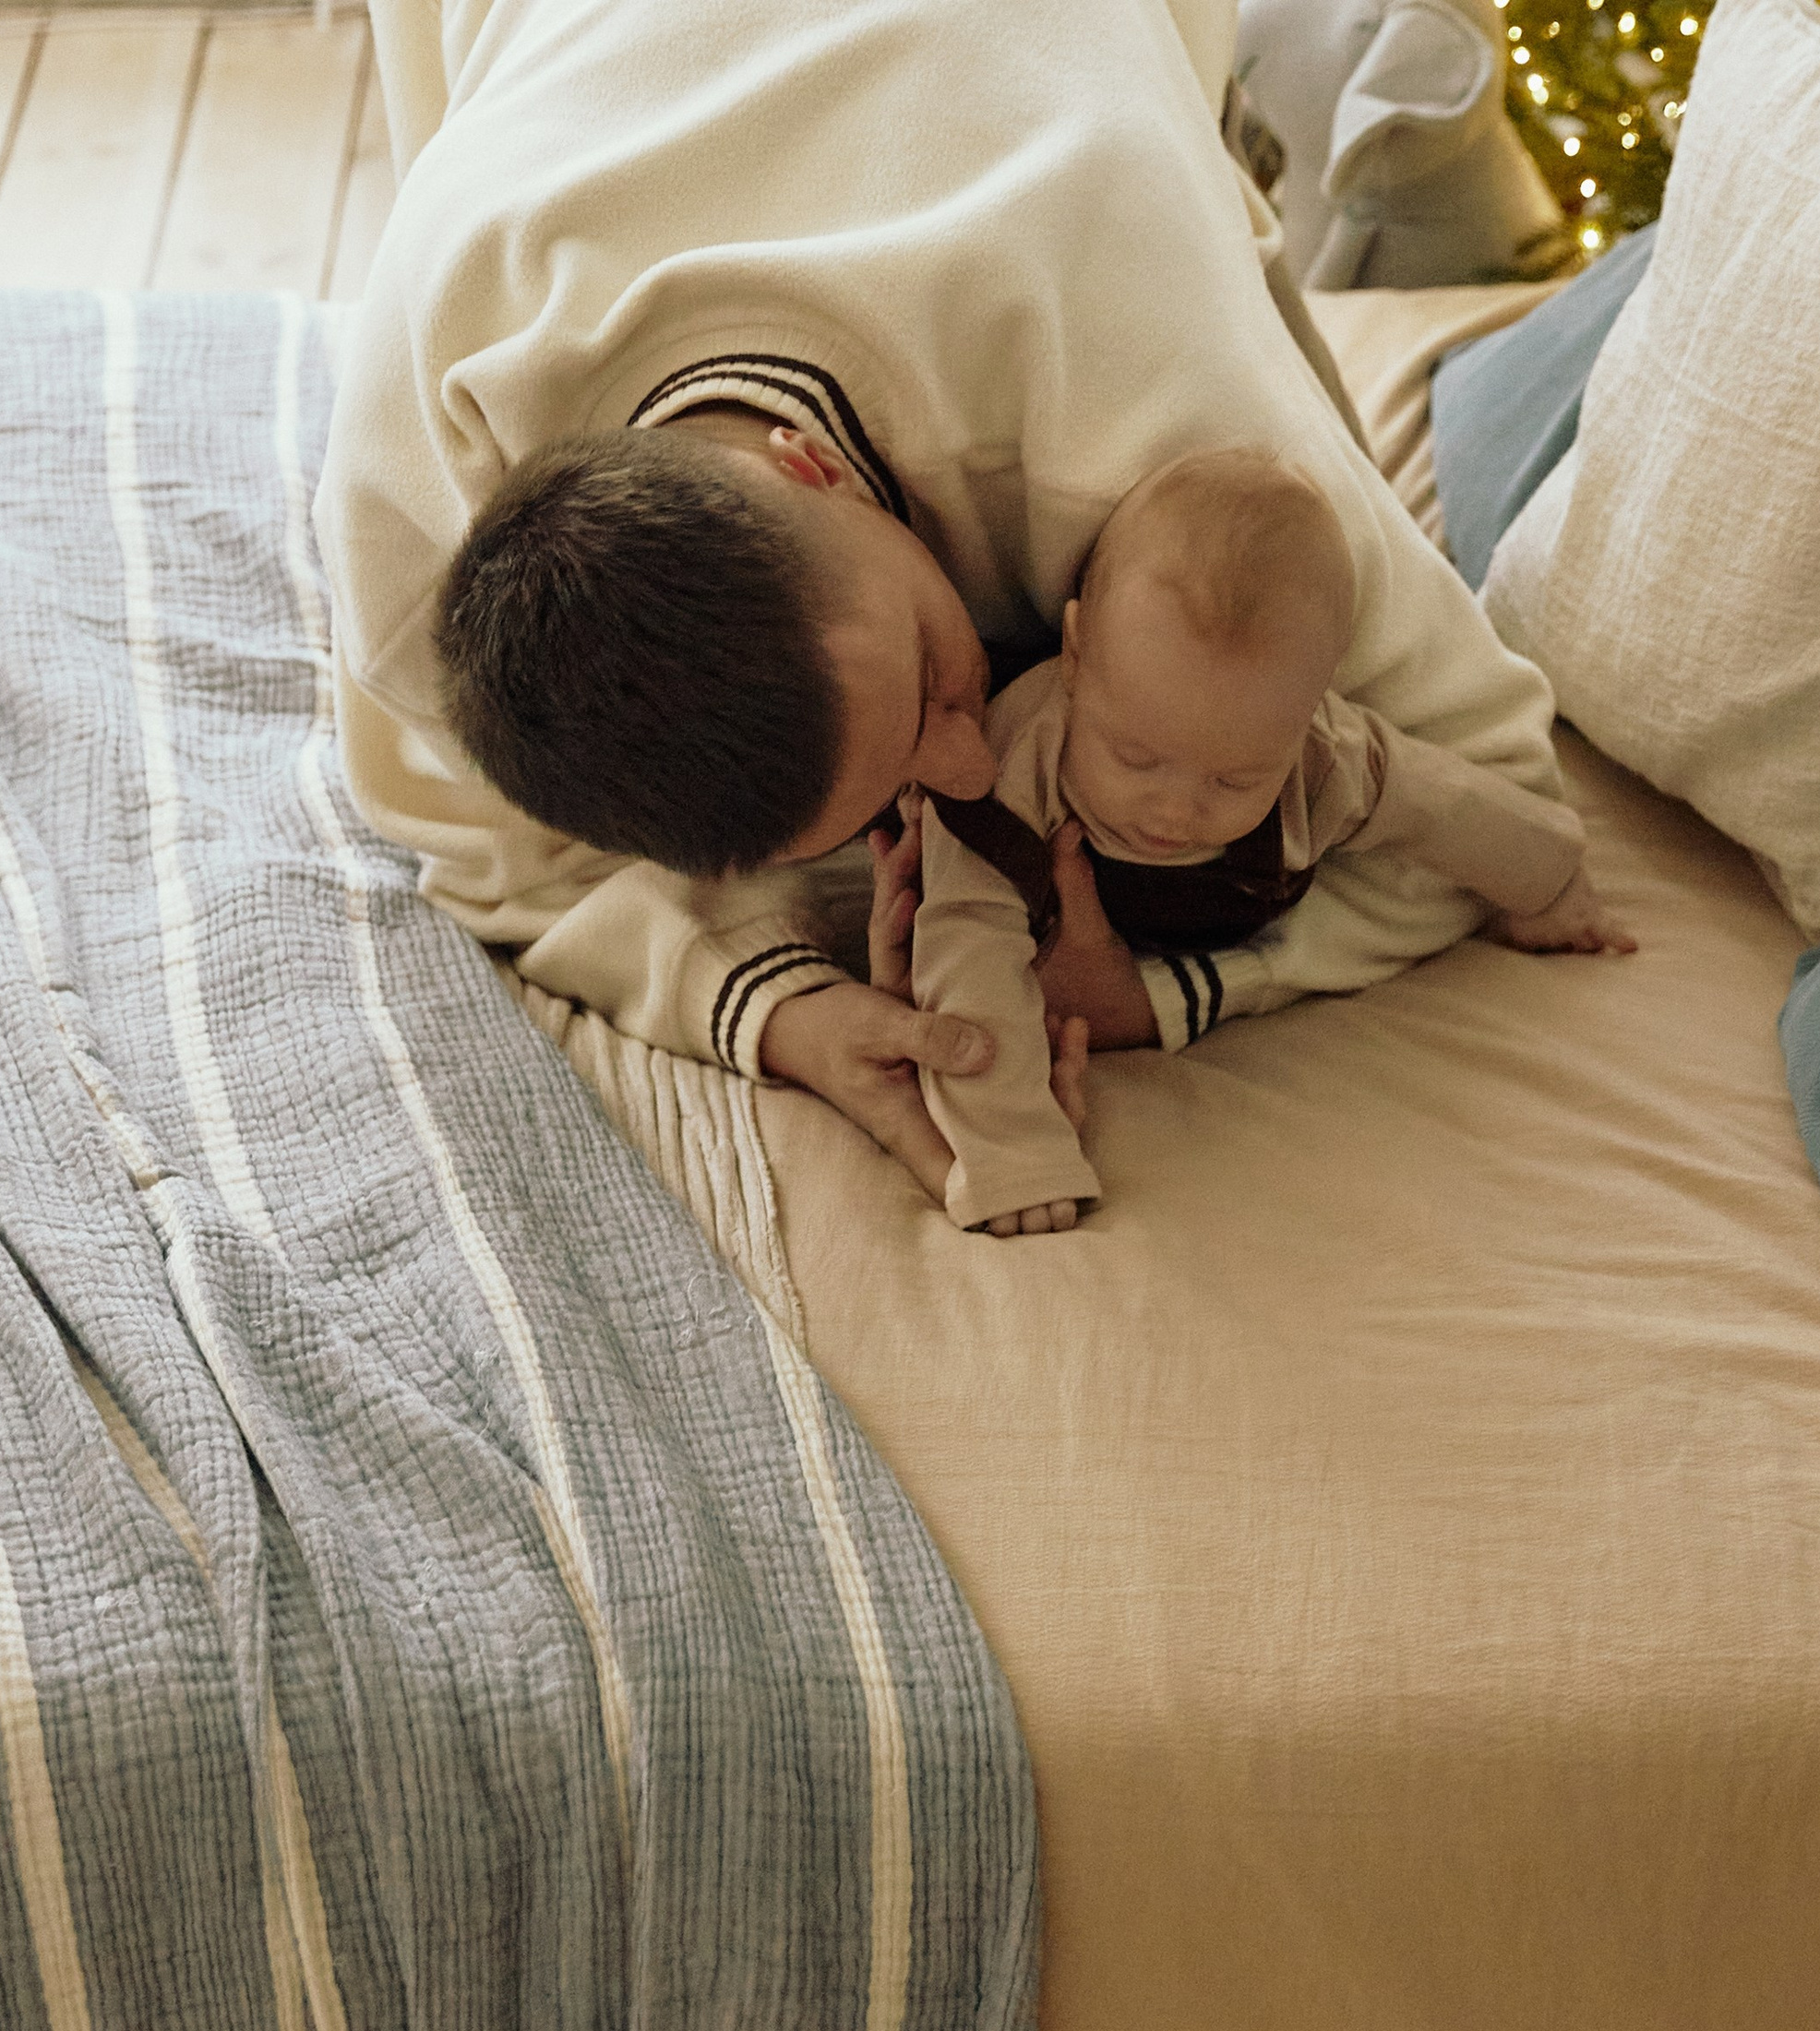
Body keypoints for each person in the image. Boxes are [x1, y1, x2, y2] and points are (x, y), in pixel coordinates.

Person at [324, 0, 1565, 1223]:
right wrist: (782, 1013)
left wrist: (1179, 990)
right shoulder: (406, 535)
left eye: (930, 685)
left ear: (809, 462)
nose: (971, 768)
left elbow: (1497, 775)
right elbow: (490, 862)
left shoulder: (1130, 391)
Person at [904, 449, 1634, 1232]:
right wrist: (1014, 1150)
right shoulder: (1009, 776)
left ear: (1310, 709)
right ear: (1076, 654)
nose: (1175, 811)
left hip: (1207, 934)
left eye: (1234, 781)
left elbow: (1444, 804)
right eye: (1135, 756)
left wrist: (1549, 883)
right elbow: (966, 954)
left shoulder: (1321, 762)